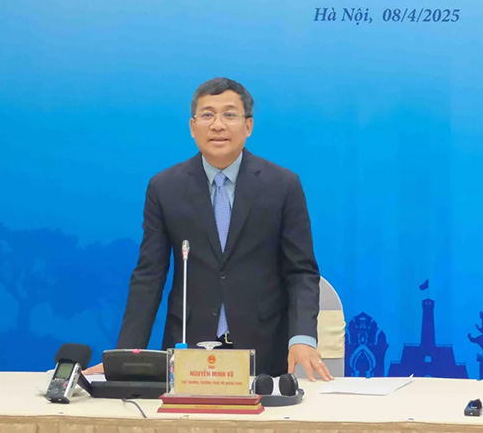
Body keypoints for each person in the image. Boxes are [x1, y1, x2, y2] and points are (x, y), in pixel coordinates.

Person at [94, 78, 332, 380]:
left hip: (265, 351)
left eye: (229, 114)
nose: (218, 125)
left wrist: (302, 338)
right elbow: (149, 275)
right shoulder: (165, 188)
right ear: (193, 127)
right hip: (189, 351)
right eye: (207, 115)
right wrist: (125, 356)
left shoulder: (282, 185)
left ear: (248, 126)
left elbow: (301, 272)